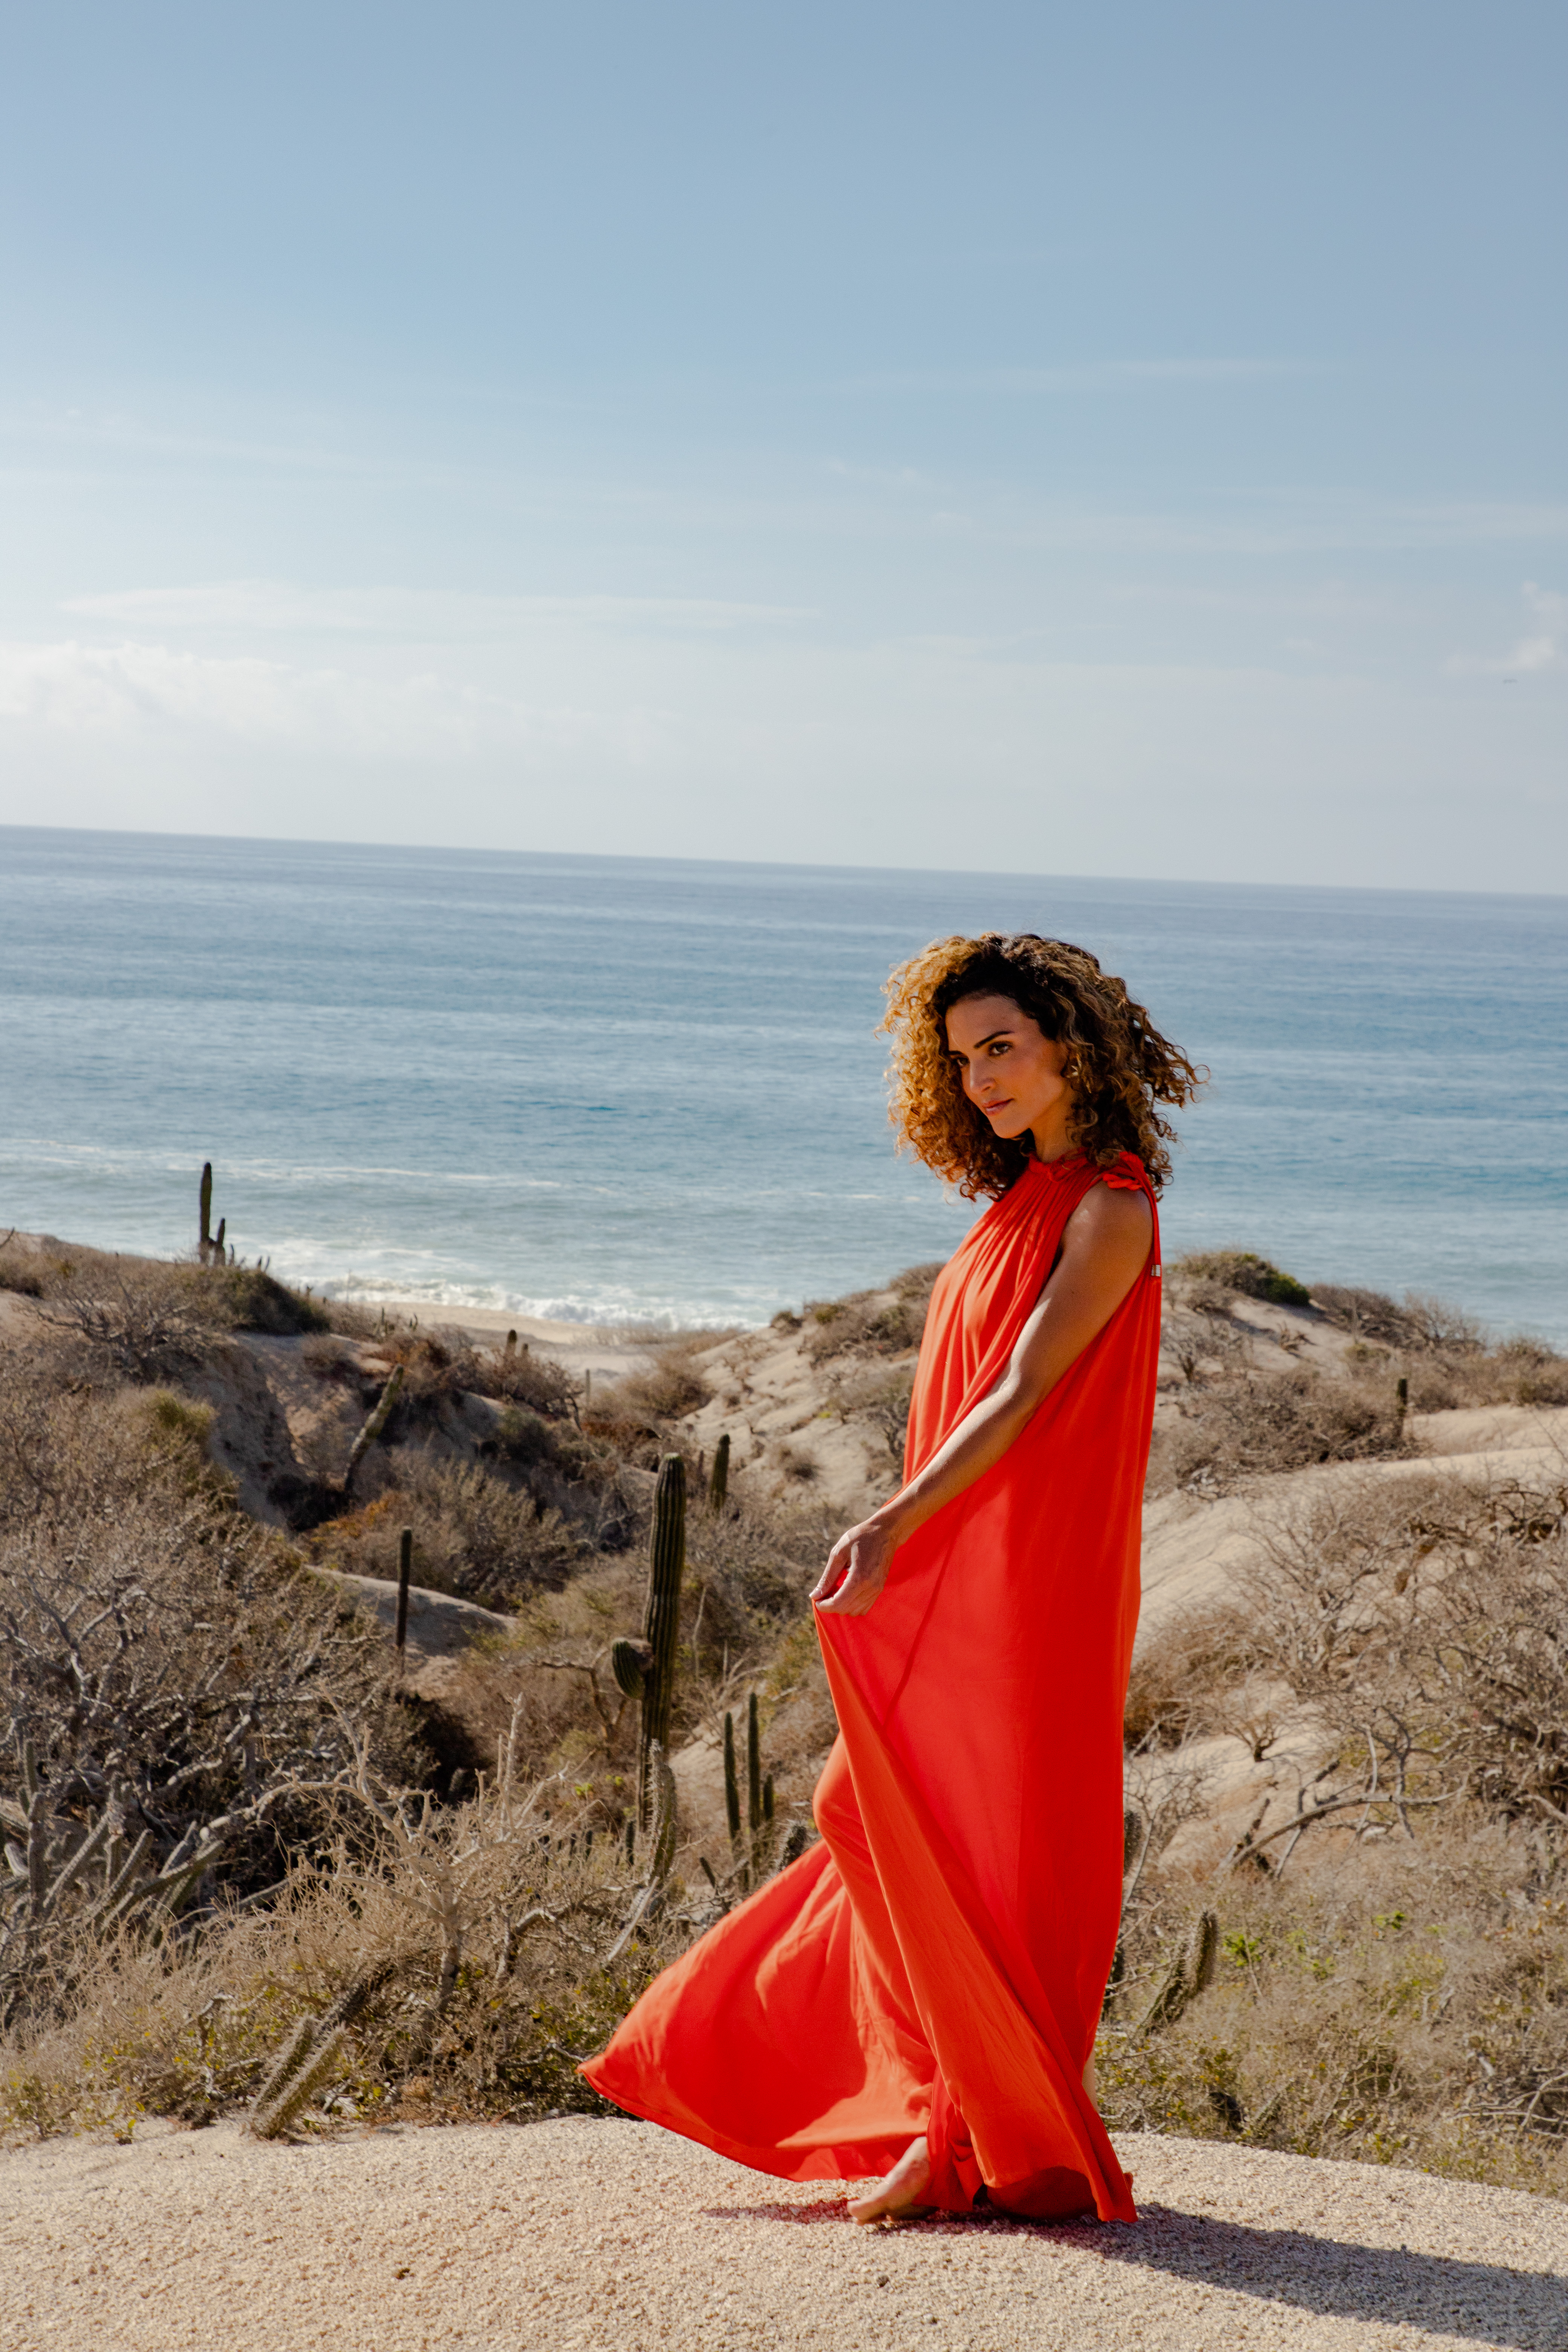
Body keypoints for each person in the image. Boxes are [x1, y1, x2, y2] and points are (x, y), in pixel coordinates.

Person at [582, 932, 1201, 2226]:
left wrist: (897, 1520)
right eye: (962, 1057)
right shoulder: (1011, 1205)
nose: (981, 1078)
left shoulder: (1111, 1208)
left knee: (927, 1827)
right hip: (964, 1555)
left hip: (1021, 1574)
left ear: (1070, 1048)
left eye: (1004, 1049)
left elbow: (1027, 1392)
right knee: (881, 1817)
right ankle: (950, 2119)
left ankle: (960, 2131)